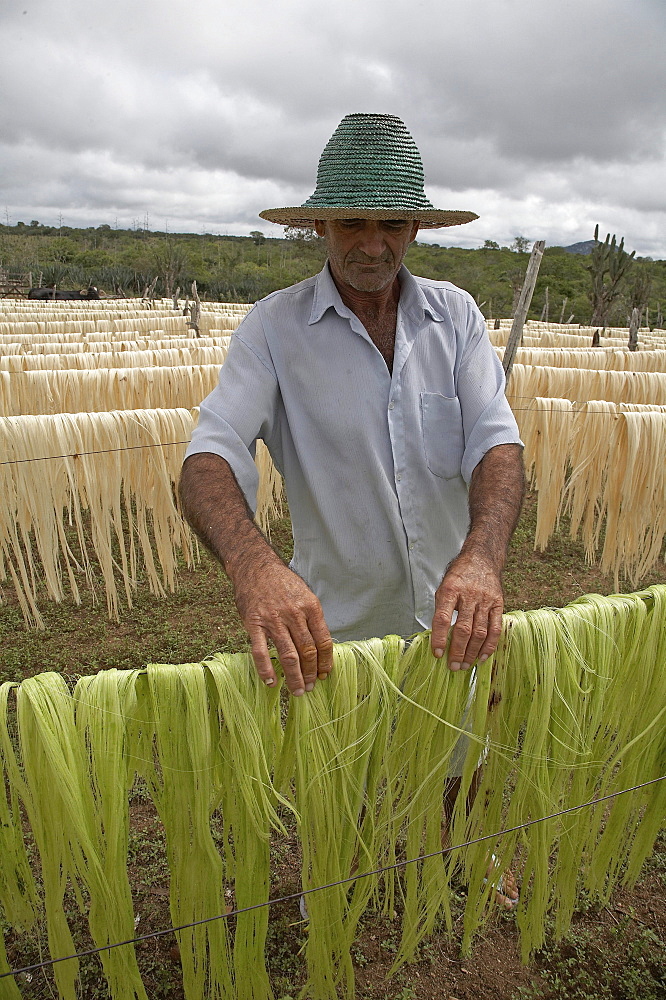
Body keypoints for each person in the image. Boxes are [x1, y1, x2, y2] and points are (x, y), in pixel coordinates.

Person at [180, 111, 523, 908]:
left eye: (393, 222)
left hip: (454, 608)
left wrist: (481, 557)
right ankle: (342, 875)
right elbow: (209, 458)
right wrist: (255, 567)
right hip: (338, 617)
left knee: (462, 746)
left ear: (416, 227)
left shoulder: (457, 318)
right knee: (345, 768)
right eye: (353, 222)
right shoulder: (272, 329)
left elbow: (497, 448)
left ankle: (466, 855)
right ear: (321, 226)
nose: (373, 243)